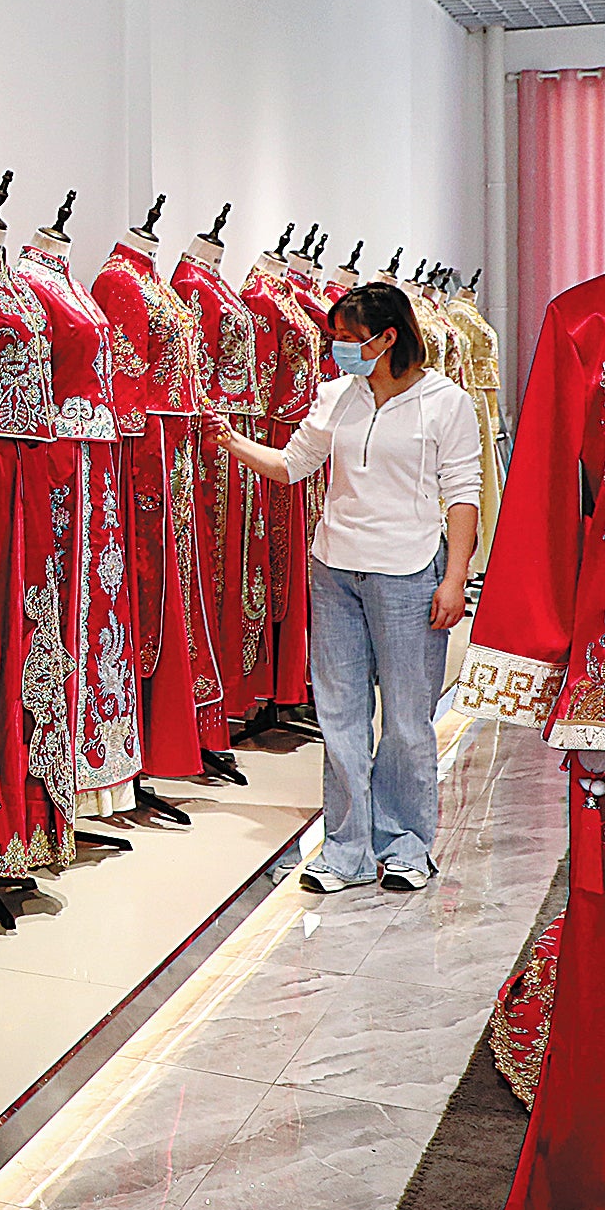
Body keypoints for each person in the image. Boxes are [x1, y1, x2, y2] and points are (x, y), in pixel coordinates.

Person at [211, 280, 480, 890]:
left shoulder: (445, 403)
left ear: (389, 337)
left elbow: (464, 494)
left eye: (352, 341)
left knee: (408, 720)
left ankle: (407, 844)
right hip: (335, 570)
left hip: (411, 571)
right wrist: (232, 443)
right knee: (339, 715)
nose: (340, 352)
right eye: (335, 342)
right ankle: (346, 851)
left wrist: (456, 577)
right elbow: (291, 465)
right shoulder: (337, 397)